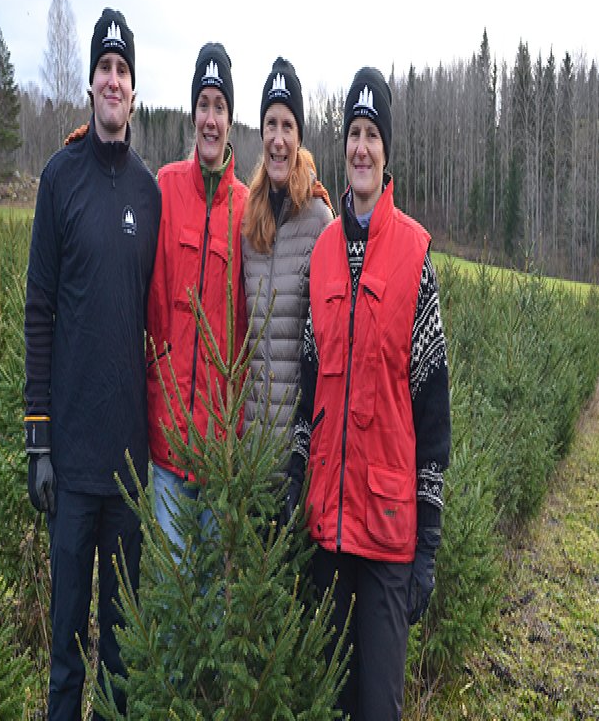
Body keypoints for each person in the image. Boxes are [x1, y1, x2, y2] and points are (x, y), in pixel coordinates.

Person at [283, 66, 452, 720]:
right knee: (327, 703)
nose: (360, 147)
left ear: (386, 153)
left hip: (387, 540)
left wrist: (428, 544)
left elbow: (433, 415)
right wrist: (294, 484)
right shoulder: (323, 253)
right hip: (326, 532)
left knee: (376, 710)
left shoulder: (415, 257)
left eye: (371, 135)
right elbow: (307, 397)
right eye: (352, 133)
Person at [23, 7, 160, 721]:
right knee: (68, 646)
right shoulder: (58, 180)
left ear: (134, 91)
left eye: (123, 70)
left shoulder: (148, 192)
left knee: (123, 649)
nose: (113, 80)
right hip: (71, 466)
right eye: (104, 67)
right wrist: (37, 435)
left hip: (129, 468)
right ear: (90, 82)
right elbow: (39, 309)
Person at [144, 41, 250, 561]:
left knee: (208, 603)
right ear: (193, 114)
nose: (211, 118)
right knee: (170, 591)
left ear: (231, 119)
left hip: (219, 448)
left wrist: (312, 192)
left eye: (220, 107)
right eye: (203, 104)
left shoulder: (249, 211)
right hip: (166, 441)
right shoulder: (162, 188)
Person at [240, 56, 334, 476]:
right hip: (250, 461)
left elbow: (326, 349)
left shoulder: (318, 220)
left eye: (288, 126)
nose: (278, 139)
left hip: (300, 462)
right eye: (271, 124)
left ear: (299, 138)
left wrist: (306, 454)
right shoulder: (248, 220)